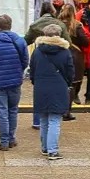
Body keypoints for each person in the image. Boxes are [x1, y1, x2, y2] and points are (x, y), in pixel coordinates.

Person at [0, 14, 28, 151]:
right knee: (13, 110)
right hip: (15, 81)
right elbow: (25, 60)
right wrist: (19, 71)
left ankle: (4, 142)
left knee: (2, 111)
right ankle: (12, 138)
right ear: (11, 25)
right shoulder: (19, 41)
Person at [29, 23, 73, 160]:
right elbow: (70, 72)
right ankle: (53, 150)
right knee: (54, 119)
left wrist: (36, 82)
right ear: (59, 35)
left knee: (43, 119)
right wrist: (67, 83)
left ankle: (44, 148)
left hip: (41, 87)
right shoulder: (65, 52)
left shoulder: (37, 51)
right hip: (58, 87)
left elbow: (32, 70)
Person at [59, 4, 86, 114]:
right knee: (75, 80)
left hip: (60, 53)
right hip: (75, 54)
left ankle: (62, 102)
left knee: (62, 79)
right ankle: (72, 100)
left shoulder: (57, 24)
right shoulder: (77, 25)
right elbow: (85, 41)